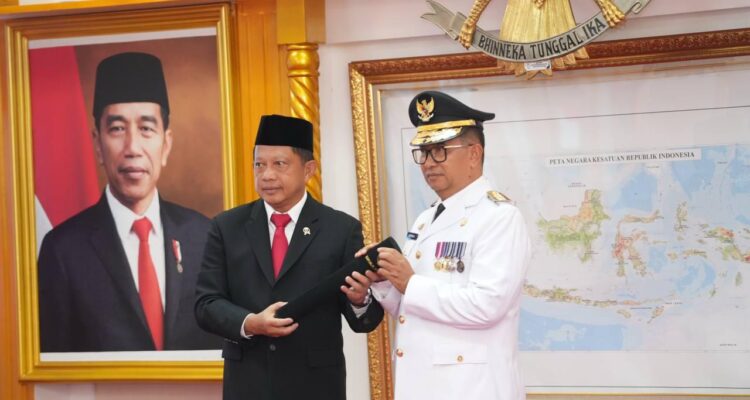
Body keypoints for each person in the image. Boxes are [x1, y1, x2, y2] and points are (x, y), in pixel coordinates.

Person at [37, 52, 221, 352]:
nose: (133, 147)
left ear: (166, 144)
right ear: (98, 144)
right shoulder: (62, 251)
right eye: (117, 129)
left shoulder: (204, 237)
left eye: (146, 128)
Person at [194, 114, 384, 400]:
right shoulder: (227, 226)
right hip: (248, 384)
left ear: (308, 170)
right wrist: (250, 322)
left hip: (316, 387)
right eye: (259, 165)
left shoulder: (341, 229)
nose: (267, 175)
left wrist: (360, 300)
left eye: (279, 164)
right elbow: (206, 304)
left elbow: (364, 322)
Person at [362, 91, 531, 399]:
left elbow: (487, 306)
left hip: (471, 388)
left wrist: (410, 283)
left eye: (440, 151)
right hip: (422, 384)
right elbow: (410, 309)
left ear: (474, 154)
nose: (428, 163)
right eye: (423, 152)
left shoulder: (499, 217)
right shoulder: (426, 219)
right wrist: (384, 281)